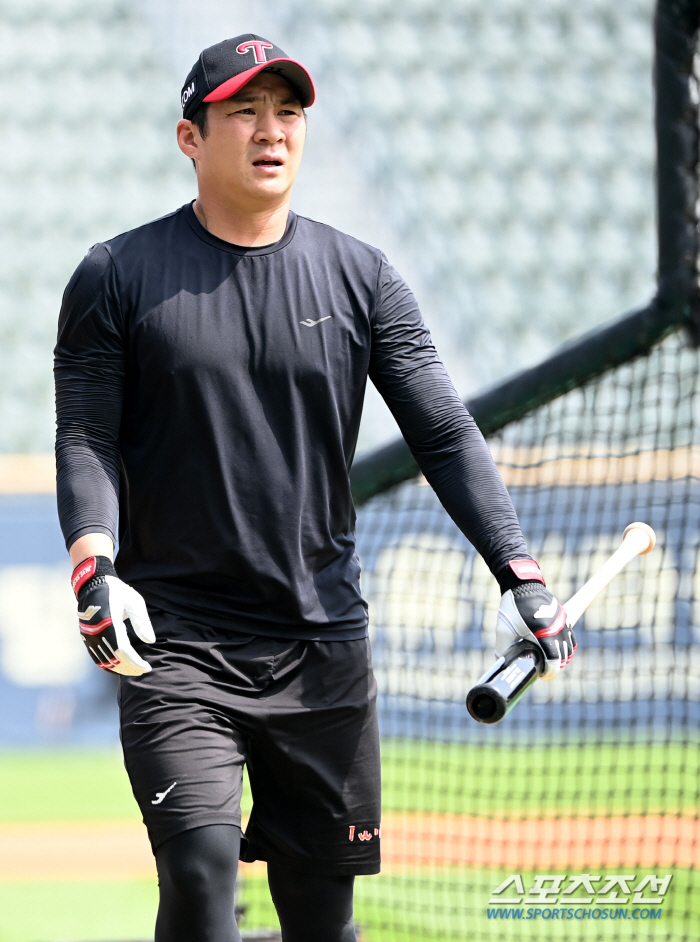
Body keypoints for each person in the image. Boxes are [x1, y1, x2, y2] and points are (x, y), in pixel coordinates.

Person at [55, 33, 577, 942]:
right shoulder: (116, 275)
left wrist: (518, 569)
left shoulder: (363, 276)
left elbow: (446, 435)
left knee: (321, 918)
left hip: (322, 644)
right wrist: (94, 562)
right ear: (190, 136)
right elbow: (87, 435)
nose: (271, 132)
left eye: (288, 112)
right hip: (178, 645)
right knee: (198, 873)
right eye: (244, 113)